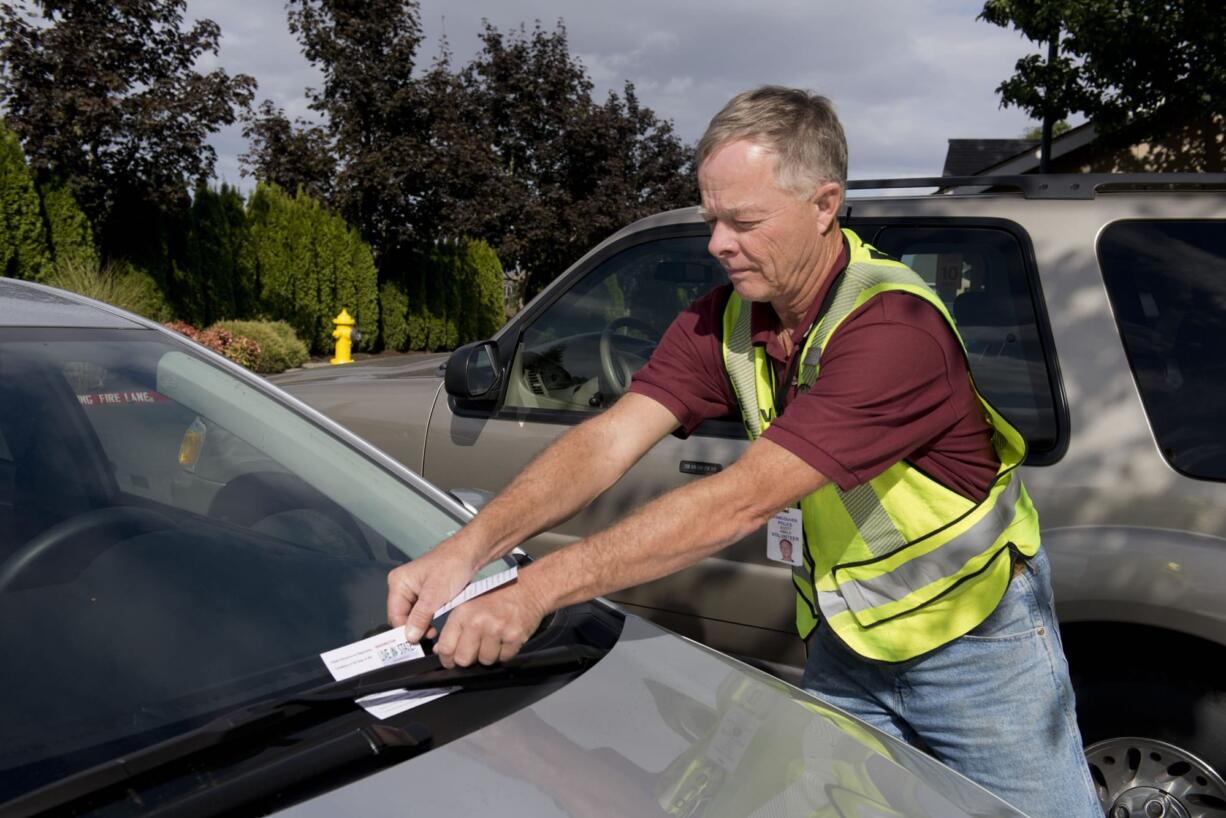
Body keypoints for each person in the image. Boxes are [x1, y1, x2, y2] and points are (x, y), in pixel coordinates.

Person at [387, 86, 1100, 818]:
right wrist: (466, 551)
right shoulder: (725, 321)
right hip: (845, 642)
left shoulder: (894, 331)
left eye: (745, 221)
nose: (717, 243)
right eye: (712, 219)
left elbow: (740, 501)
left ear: (825, 205)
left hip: (974, 644)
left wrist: (532, 594)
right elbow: (607, 441)